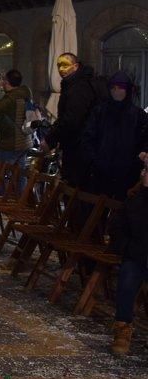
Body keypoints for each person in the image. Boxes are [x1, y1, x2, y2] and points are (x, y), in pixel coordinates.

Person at [79, 72, 148, 200]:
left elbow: (145, 140)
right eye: (113, 88)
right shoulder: (99, 112)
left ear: (127, 90)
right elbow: (88, 138)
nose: (116, 91)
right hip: (101, 173)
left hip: (128, 175)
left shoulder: (138, 115)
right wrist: (95, 161)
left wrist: (138, 159)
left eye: (120, 87)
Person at [44, 53, 107, 186]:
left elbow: (71, 120)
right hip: (80, 146)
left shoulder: (79, 87)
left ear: (76, 66)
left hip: (81, 149)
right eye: (58, 66)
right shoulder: (72, 85)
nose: (61, 69)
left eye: (65, 65)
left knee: (76, 188)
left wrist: (51, 139)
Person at [107, 152, 148, 356]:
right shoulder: (136, 198)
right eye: (145, 171)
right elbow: (116, 227)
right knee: (127, 278)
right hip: (137, 254)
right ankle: (122, 329)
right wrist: (128, 248)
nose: (144, 174)